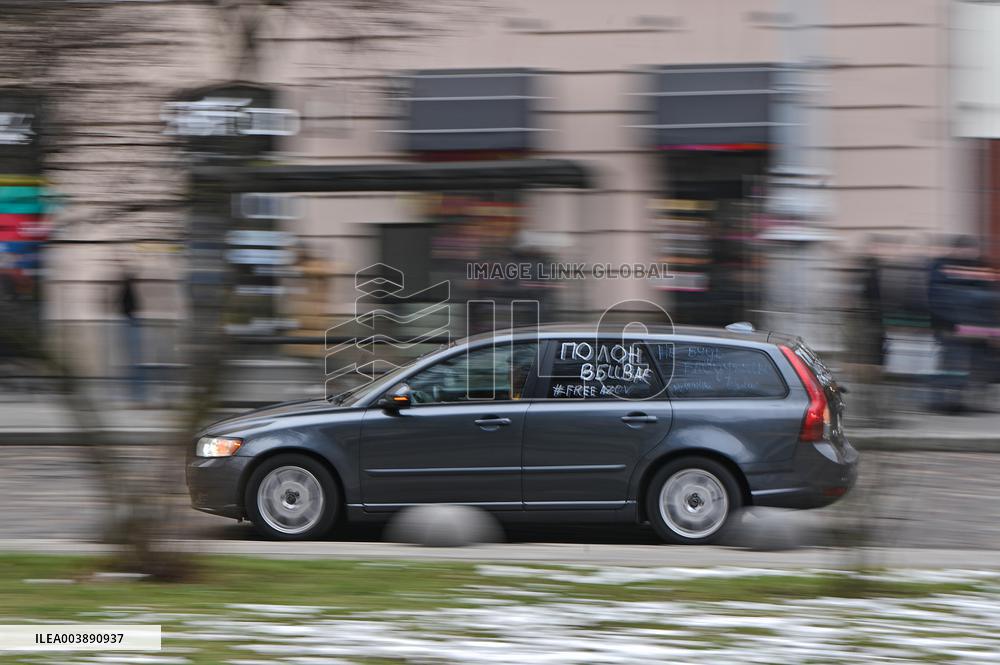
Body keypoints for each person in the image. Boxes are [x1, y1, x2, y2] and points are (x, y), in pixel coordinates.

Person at [927, 235, 997, 412]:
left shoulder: (981, 266)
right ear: (956, 249)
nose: (970, 253)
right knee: (952, 365)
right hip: (951, 327)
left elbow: (990, 297)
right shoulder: (942, 266)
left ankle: (968, 402)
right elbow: (941, 297)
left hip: (977, 327)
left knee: (978, 365)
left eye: (973, 250)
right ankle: (943, 402)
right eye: (966, 249)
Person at [118, 272, 145, 404]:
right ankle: (136, 394)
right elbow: (133, 306)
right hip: (131, 321)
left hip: (130, 321)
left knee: (133, 360)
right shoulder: (129, 289)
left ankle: (135, 393)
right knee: (134, 359)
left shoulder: (126, 289)